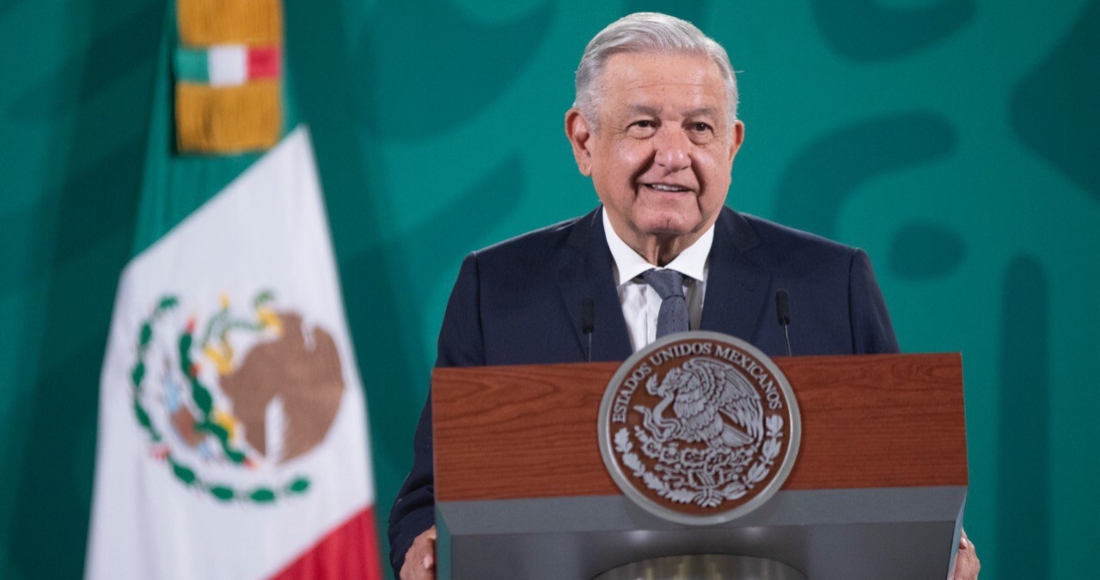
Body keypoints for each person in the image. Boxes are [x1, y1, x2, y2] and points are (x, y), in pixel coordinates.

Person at [388, 12, 979, 580]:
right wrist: (425, 551)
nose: (673, 156)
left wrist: (943, 548)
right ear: (584, 140)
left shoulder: (829, 285)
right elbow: (431, 497)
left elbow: (899, 481)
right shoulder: (499, 290)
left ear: (732, 145)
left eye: (699, 128)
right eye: (643, 125)